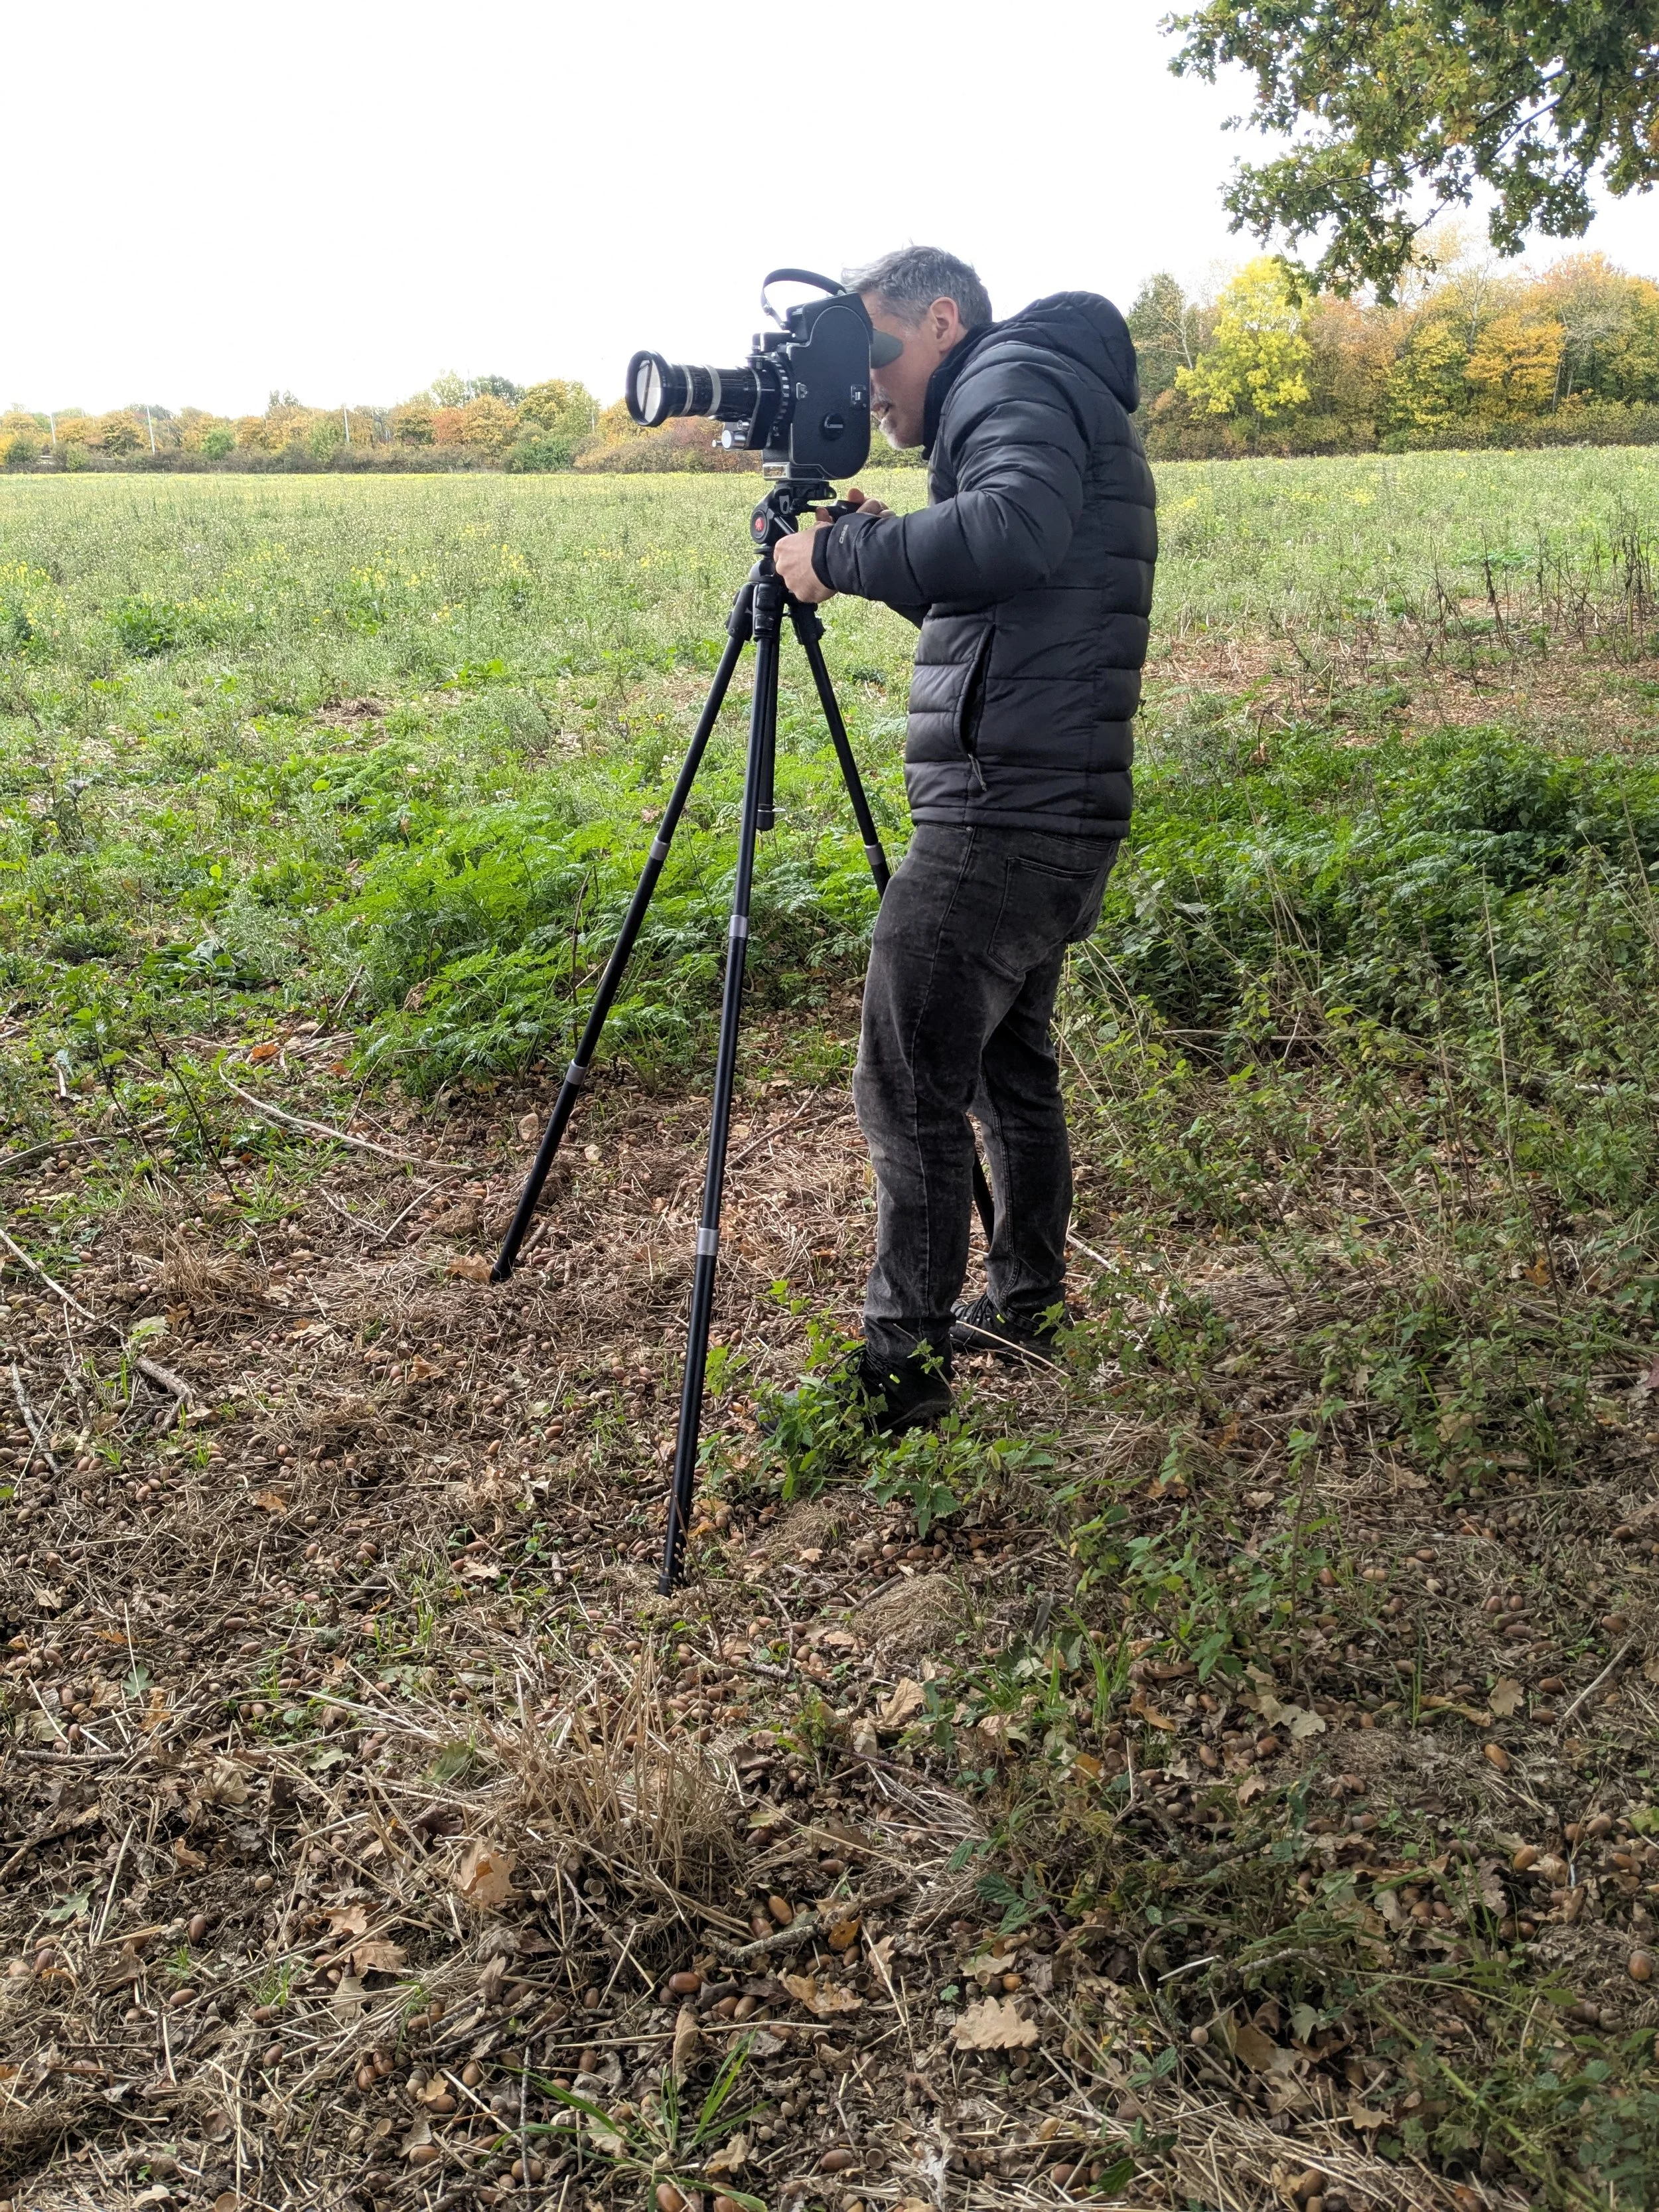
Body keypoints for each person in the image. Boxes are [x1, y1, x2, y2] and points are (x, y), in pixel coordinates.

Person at [771, 245, 1156, 1430]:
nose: (869, 385)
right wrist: (891, 546)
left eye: (877, 349)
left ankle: (901, 1373)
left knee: (907, 1093)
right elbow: (997, 575)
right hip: (1057, 806)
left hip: (999, 814)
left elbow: (1011, 536)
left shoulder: (1010, 379)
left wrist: (834, 554)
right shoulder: (1041, 391)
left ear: (944, 321)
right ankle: (1028, 1299)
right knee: (1007, 1077)